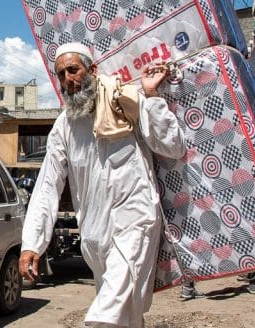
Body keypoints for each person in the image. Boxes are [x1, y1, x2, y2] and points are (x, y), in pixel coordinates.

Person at [19, 42, 186, 327]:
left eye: (73, 70)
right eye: (61, 74)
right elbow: (48, 186)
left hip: (135, 222)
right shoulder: (64, 127)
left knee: (106, 315)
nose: (68, 80)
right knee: (126, 315)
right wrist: (32, 244)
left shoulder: (126, 101)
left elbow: (173, 146)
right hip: (95, 236)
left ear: (93, 70)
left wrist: (151, 95)